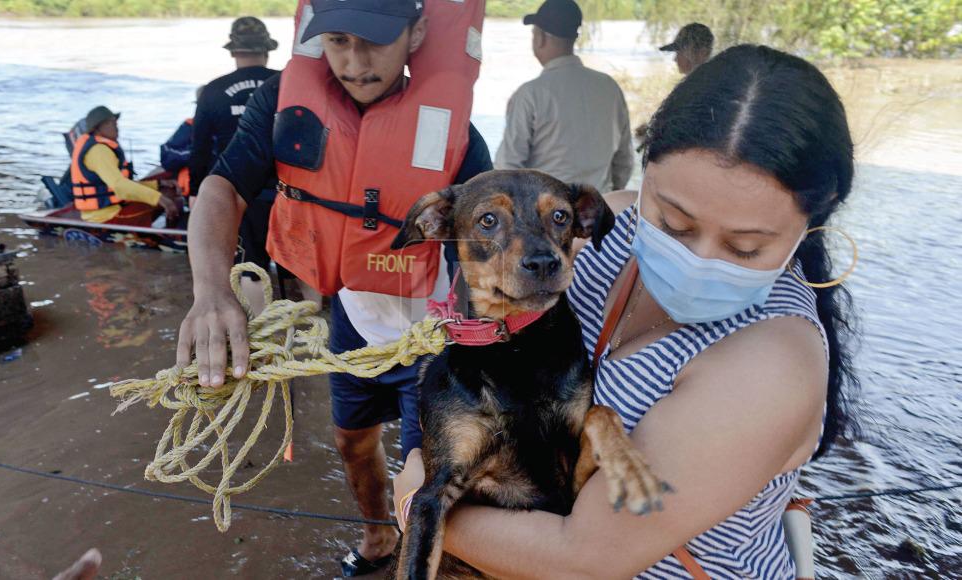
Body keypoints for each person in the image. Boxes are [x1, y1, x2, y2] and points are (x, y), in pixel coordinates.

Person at [395, 44, 859, 578]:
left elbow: (584, 559)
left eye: (746, 246)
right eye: (674, 222)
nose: (698, 259)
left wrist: (417, 502)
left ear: (813, 223)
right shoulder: (605, 229)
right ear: (646, 167)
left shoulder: (774, 361)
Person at [175, 0, 491, 575]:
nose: (354, 61)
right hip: (354, 320)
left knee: (426, 475)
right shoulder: (281, 103)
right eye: (339, 41)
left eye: (374, 41)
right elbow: (222, 187)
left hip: (431, 338)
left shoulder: (455, 133)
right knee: (350, 442)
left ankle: (440, 560)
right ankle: (376, 540)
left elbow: (488, 247)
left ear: (418, 32)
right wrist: (211, 290)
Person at [495, 0, 634, 193]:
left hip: (547, 214)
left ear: (541, 38)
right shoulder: (609, 87)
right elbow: (624, 162)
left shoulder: (531, 94)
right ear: (574, 37)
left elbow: (507, 168)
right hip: (597, 209)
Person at [190, 17, 282, 304]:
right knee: (302, 263)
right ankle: (316, 330)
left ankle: (262, 333)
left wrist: (195, 195)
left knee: (251, 266)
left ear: (232, 51)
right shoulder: (288, 84)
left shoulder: (213, 91)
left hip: (239, 195)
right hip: (291, 193)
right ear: (267, 49)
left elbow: (200, 150)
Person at [70, 106, 179, 226]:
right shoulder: (98, 151)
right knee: (172, 199)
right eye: (111, 123)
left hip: (111, 208)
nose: (116, 127)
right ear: (98, 128)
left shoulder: (100, 147)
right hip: (105, 217)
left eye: (116, 123)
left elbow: (120, 185)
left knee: (167, 191)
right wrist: (160, 199)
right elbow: (120, 186)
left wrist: (157, 184)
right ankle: (163, 237)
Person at [159, 86, 203, 201]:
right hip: (192, 190)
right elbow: (167, 157)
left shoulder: (225, 126)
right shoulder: (189, 126)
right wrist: (196, 153)